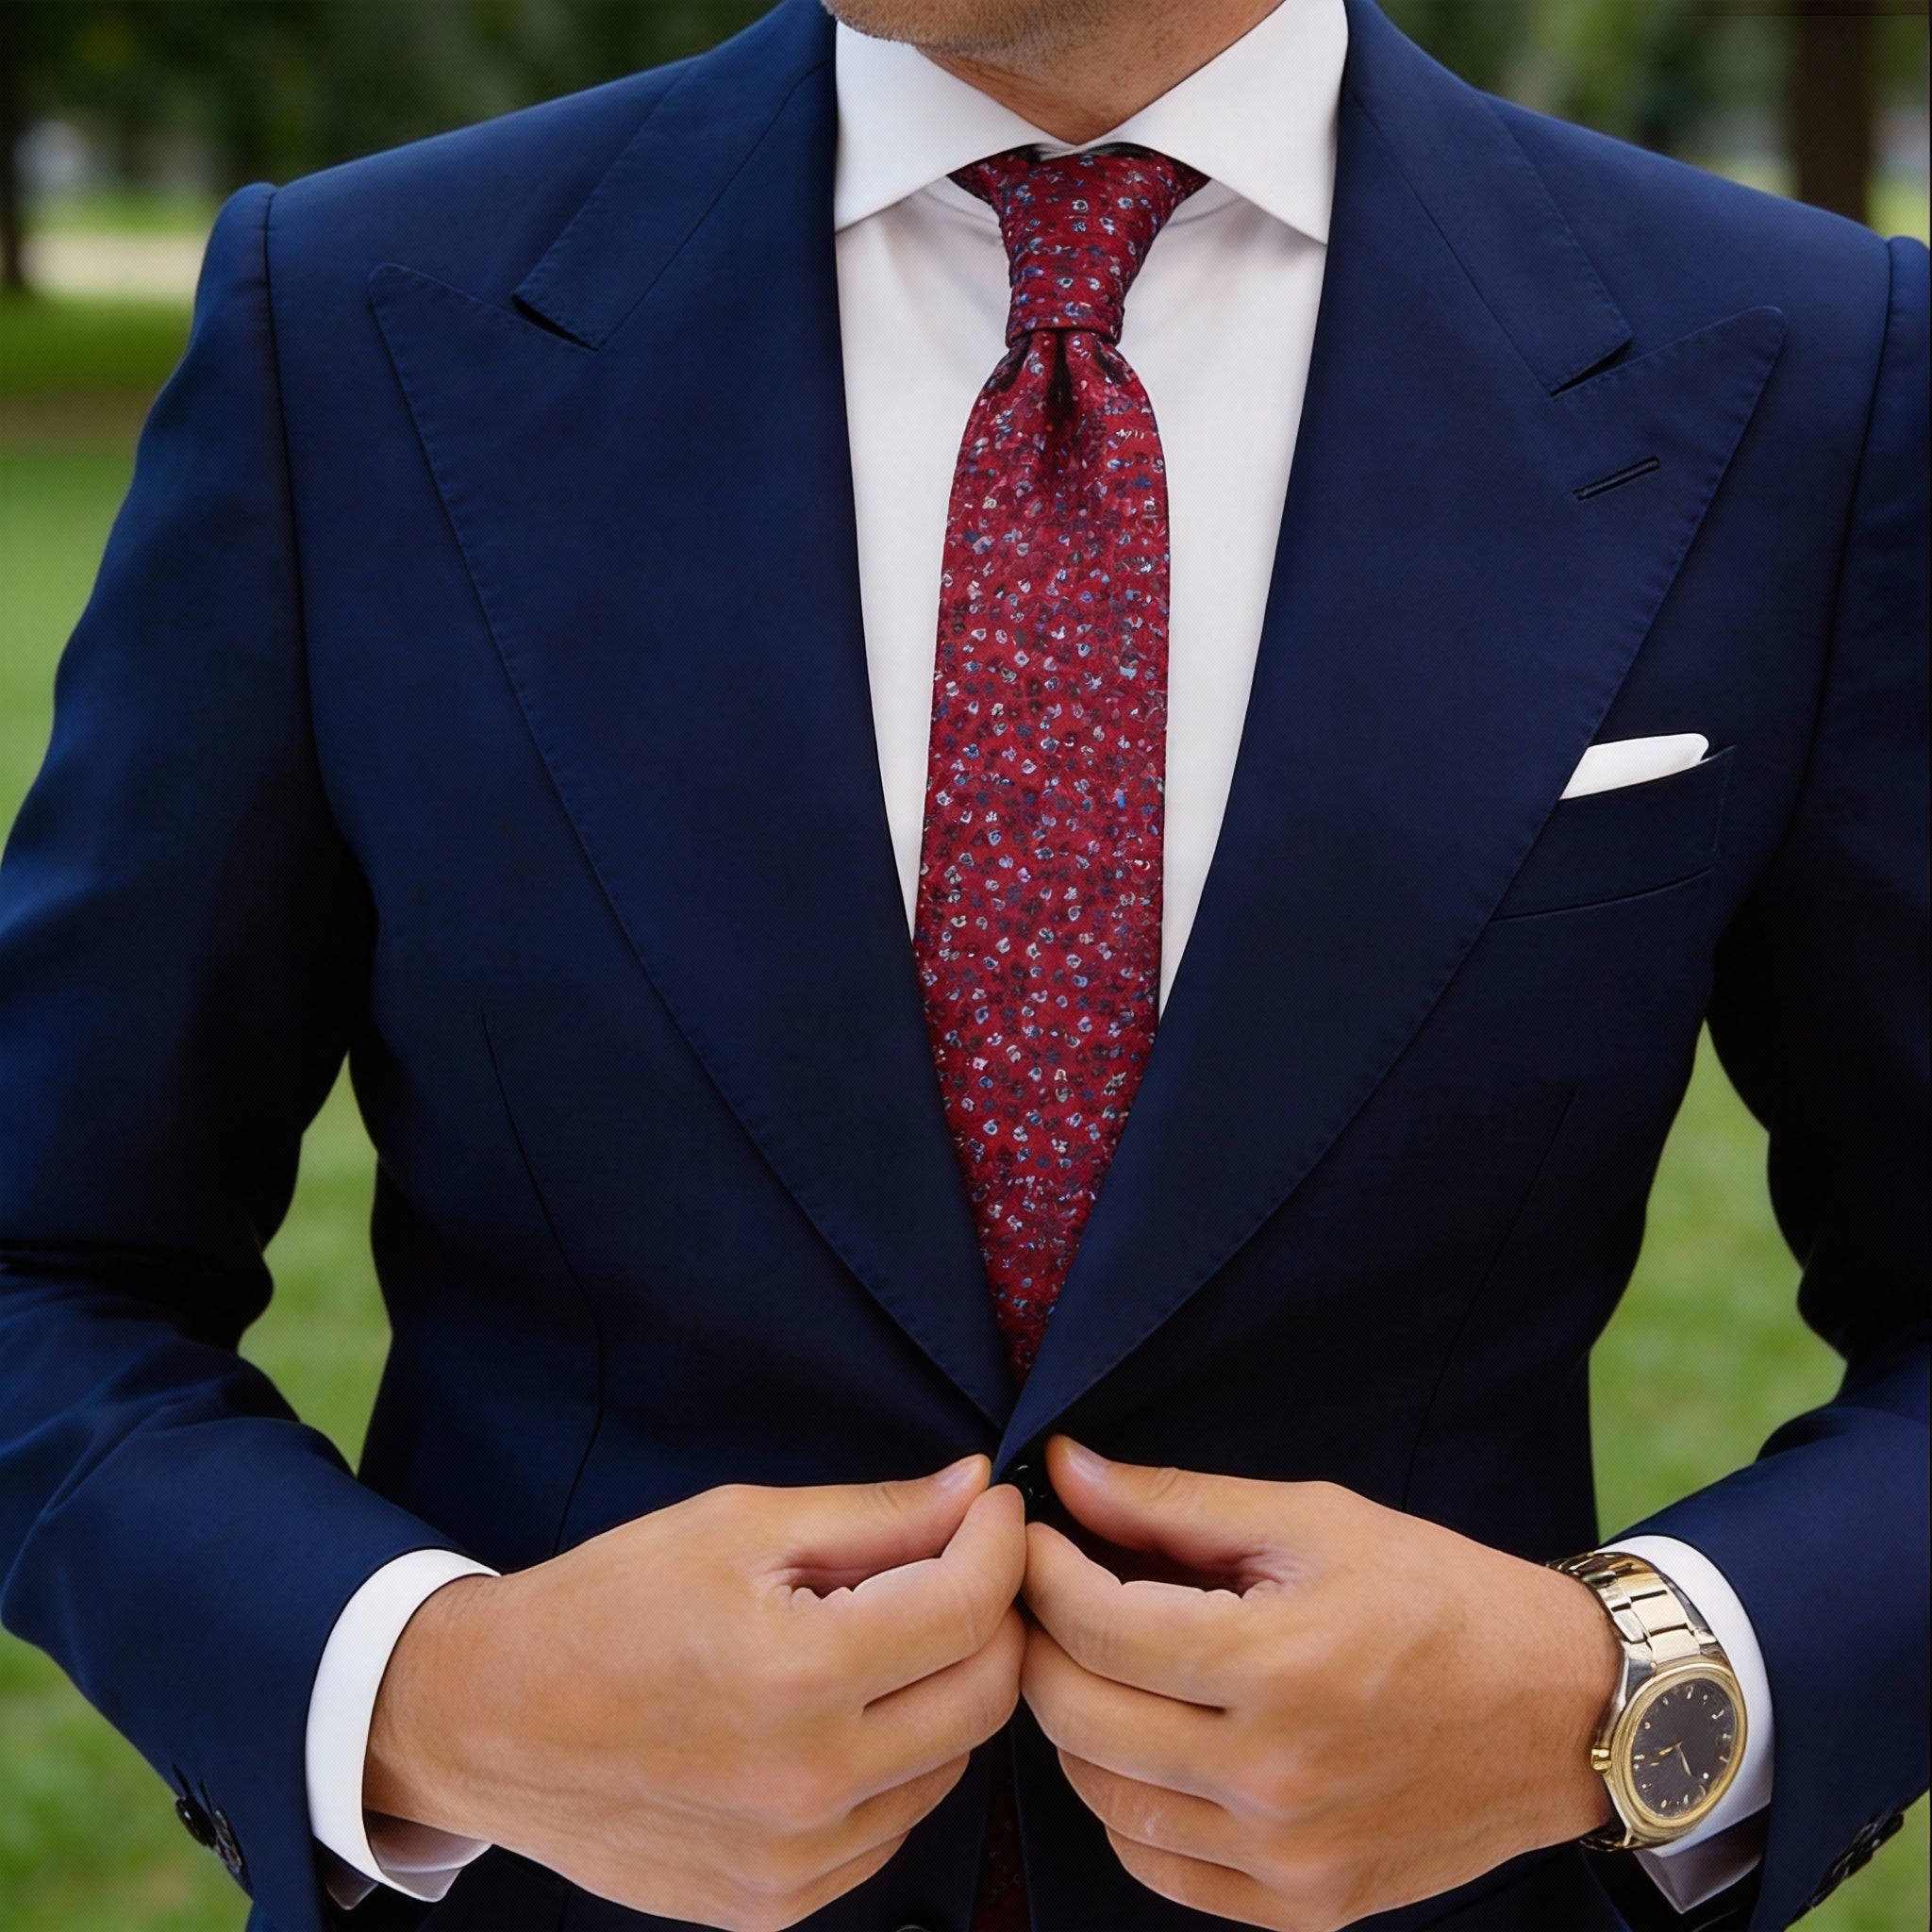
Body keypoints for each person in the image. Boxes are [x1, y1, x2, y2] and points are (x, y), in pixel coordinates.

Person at [0, 0, 1924, 1926]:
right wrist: (431, 1693)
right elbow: (46, 1260)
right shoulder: (344, 319)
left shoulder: (1798, 364)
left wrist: (1622, 1695)